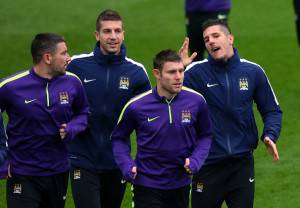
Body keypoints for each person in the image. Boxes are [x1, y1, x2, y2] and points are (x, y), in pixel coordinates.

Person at [180, 19, 282, 208]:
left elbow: (271, 110)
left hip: (241, 165)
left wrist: (270, 134)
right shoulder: (194, 73)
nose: (210, 41)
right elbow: (164, 100)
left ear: (230, 38)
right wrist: (178, 69)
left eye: (216, 36)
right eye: (206, 39)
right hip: (207, 165)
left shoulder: (253, 71)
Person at [66, 9, 151, 208]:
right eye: (107, 31)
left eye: (117, 31)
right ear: (97, 35)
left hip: (117, 161)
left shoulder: (136, 72)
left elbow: (148, 117)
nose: (113, 37)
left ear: (123, 34)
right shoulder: (76, 66)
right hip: (82, 159)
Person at [111, 49, 213, 208]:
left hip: (181, 184)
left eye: (181, 71)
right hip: (146, 184)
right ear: (157, 74)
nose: (178, 77)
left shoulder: (197, 101)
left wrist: (196, 160)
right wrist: (126, 165)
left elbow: (206, 135)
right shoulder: (136, 106)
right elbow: (118, 138)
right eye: (172, 72)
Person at [0, 33, 89, 208]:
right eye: (63, 53)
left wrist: (73, 127)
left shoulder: (73, 82)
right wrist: (2, 153)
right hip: (23, 173)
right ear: (48, 58)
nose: (69, 58)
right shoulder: (11, 86)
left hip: (58, 171)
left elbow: (84, 112)